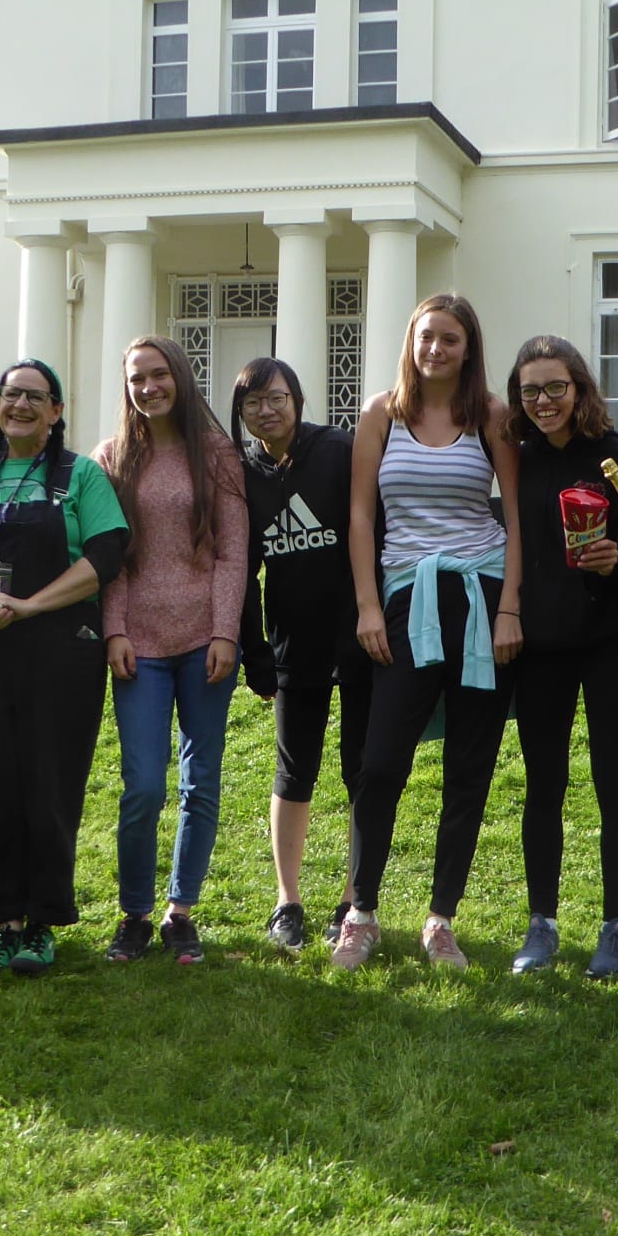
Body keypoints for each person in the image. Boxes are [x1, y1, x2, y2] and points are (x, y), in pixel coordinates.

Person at [332, 294, 524, 971]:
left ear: (468, 348)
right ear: (410, 342)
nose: (436, 349)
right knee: (381, 762)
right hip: (406, 601)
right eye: (426, 337)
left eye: (449, 339)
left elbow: (515, 517)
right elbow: (361, 517)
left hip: (481, 598)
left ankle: (441, 919)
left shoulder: (491, 416)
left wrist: (511, 608)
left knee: (469, 767)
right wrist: (367, 605)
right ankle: (361, 913)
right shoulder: (381, 414)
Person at [0, 358, 128, 980]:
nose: (21, 406)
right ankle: (3, 921)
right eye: (12, 394)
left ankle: (42, 921)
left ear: (56, 412)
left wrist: (32, 605)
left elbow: (106, 555)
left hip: (59, 651)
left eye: (36, 397)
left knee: (48, 783)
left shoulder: (80, 475)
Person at [95, 335, 248, 967]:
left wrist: (225, 632)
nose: (149, 387)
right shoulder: (111, 459)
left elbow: (233, 552)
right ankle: (133, 913)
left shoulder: (216, 454)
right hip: (140, 646)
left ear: (180, 378)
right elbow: (110, 559)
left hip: (205, 643)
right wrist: (115, 630)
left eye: (159, 375)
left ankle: (180, 911)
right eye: (137, 378)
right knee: (142, 785)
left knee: (200, 782)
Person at [504, 335, 618, 977]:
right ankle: (542, 924)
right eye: (530, 390)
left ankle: (616, 926)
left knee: (614, 783)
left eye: (555, 387)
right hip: (541, 646)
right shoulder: (518, 458)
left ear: (580, 388)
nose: (544, 401)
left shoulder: (617, 457)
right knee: (544, 785)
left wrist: (617, 563)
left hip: (610, 641)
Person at [230, 356, 371, 953]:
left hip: (362, 638)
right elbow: (241, 569)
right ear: (240, 412)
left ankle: (354, 900)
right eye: (253, 402)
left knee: (362, 768)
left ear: (298, 400)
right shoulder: (243, 473)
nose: (266, 410)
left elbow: (374, 531)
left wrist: (376, 618)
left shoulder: (337, 451)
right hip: (293, 645)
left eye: (277, 398)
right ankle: (286, 902)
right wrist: (254, 650)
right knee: (294, 771)